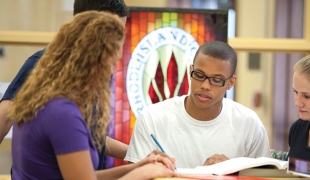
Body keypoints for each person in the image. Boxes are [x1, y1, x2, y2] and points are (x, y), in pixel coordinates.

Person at [10, 11, 176, 180]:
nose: (112, 72)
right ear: (93, 62)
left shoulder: (43, 99)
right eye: (111, 64)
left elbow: (85, 176)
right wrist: (145, 173)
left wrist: (140, 165)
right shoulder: (63, 113)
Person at [0, 0, 129, 170]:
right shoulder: (43, 68)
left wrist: (136, 155)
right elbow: (4, 119)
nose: (115, 47)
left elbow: (84, 137)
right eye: (110, 35)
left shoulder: (93, 73)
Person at [125, 41, 271, 168]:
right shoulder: (152, 118)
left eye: (216, 80)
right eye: (199, 75)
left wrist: (233, 172)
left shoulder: (249, 124)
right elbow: (133, 176)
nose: (205, 86)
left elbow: (265, 177)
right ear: (190, 71)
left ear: (230, 83)